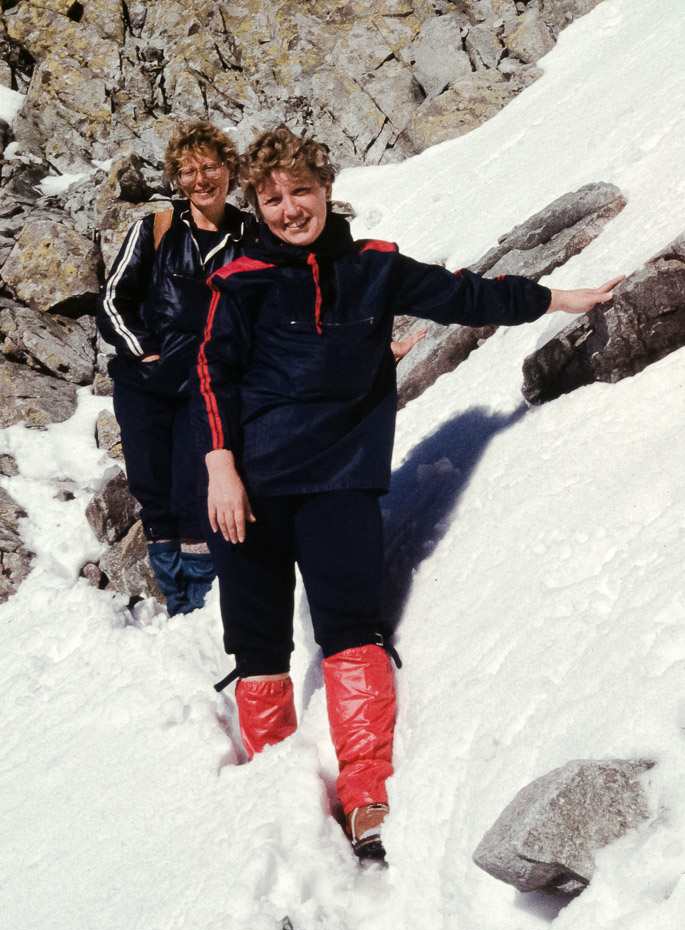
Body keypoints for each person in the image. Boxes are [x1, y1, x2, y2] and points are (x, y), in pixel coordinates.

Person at [192, 126, 622, 860]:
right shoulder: (239, 279)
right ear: (257, 208)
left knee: (351, 631)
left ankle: (365, 795)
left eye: (301, 191)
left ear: (326, 188)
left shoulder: (373, 265)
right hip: (253, 487)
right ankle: (277, 795)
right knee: (259, 644)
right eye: (272, 199)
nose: (290, 208)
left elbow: (465, 294)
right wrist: (220, 466)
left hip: (340, 479)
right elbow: (211, 373)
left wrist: (559, 298)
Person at [97, 121, 253, 615]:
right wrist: (141, 349)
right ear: (176, 179)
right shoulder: (156, 228)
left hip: (207, 390)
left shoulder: (251, 236)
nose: (200, 179)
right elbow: (113, 301)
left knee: (198, 493)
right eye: (188, 171)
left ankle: (199, 605)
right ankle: (175, 597)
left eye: (210, 167)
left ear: (230, 170)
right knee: (152, 492)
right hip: (146, 385)